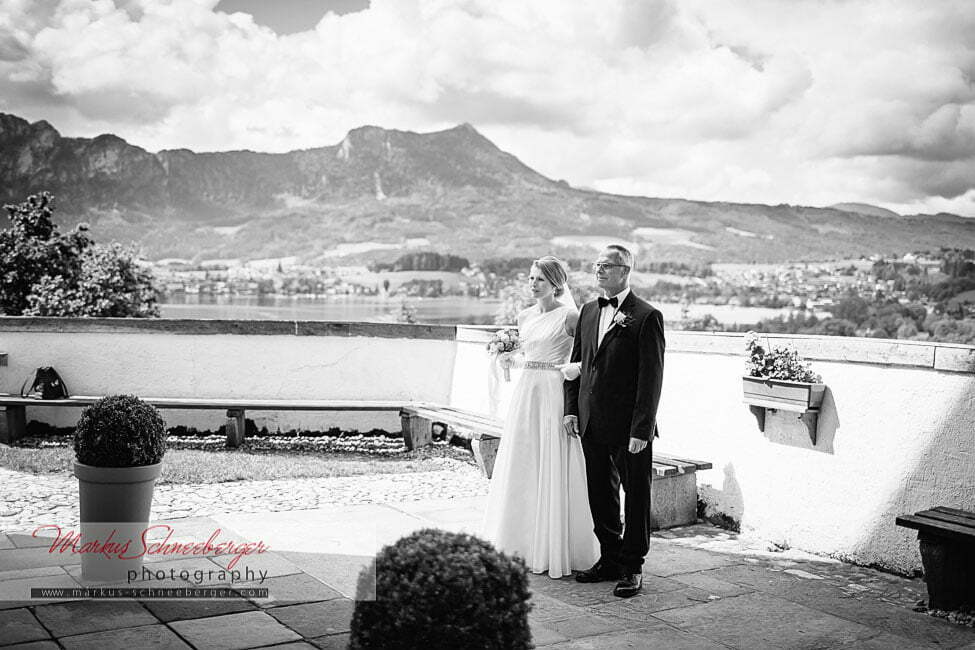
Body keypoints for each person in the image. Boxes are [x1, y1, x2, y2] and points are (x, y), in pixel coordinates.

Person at [482, 256, 599, 578]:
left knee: (553, 458)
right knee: (523, 458)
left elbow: (587, 355)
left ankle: (554, 543)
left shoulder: (571, 316)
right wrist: (509, 357)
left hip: (553, 390)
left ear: (556, 284)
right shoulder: (524, 315)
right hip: (527, 391)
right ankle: (519, 540)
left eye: (540, 280)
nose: (533, 285)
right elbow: (527, 354)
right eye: (531, 279)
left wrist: (575, 377)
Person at [563, 244, 665, 598]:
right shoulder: (589, 311)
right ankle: (609, 557)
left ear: (625, 271)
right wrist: (571, 409)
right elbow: (576, 367)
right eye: (597, 265)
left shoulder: (647, 316)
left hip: (629, 427)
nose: (599, 270)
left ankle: (633, 566)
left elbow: (651, 379)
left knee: (636, 495)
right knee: (600, 493)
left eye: (607, 265)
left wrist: (642, 429)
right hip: (592, 422)